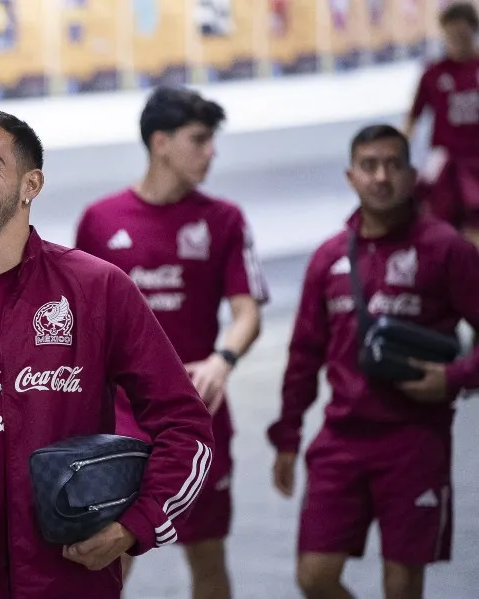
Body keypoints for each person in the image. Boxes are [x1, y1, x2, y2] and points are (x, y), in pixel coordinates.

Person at [0, 109, 216, 599]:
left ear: (30, 184)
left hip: (66, 582)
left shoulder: (97, 290)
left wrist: (134, 526)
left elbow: (185, 425)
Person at [268, 124, 479, 599]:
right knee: (315, 576)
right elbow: (304, 353)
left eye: (393, 165)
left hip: (415, 441)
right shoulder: (328, 259)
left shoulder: (446, 249)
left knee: (402, 585)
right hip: (340, 441)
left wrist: (455, 376)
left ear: (411, 175)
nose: (381, 176)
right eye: (369, 165)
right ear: (351, 176)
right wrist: (287, 435)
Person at [75, 86, 269, 599]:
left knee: (207, 556)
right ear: (161, 143)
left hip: (196, 415)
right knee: (109, 560)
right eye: (199, 140)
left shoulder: (224, 219)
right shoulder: (101, 220)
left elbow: (247, 311)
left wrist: (222, 360)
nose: (211, 152)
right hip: (119, 422)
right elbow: (81, 326)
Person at [405, 2, 479, 248]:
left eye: (462, 33)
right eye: (450, 34)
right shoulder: (434, 73)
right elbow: (413, 116)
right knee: (436, 219)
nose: (456, 40)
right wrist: (399, 153)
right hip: (445, 159)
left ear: (472, 31)